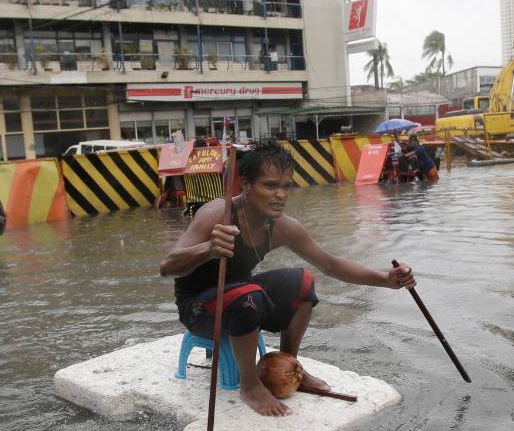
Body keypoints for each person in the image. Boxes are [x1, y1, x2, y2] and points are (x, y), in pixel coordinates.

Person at [160, 138, 416, 417]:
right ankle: (249, 383)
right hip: (199, 309)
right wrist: (207, 249)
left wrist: (386, 279)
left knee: (303, 281)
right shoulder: (216, 214)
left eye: (286, 186)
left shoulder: (283, 227)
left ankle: (290, 365)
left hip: (241, 299)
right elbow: (168, 266)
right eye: (270, 186)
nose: (280, 194)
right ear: (245, 185)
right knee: (248, 296)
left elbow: (330, 264)